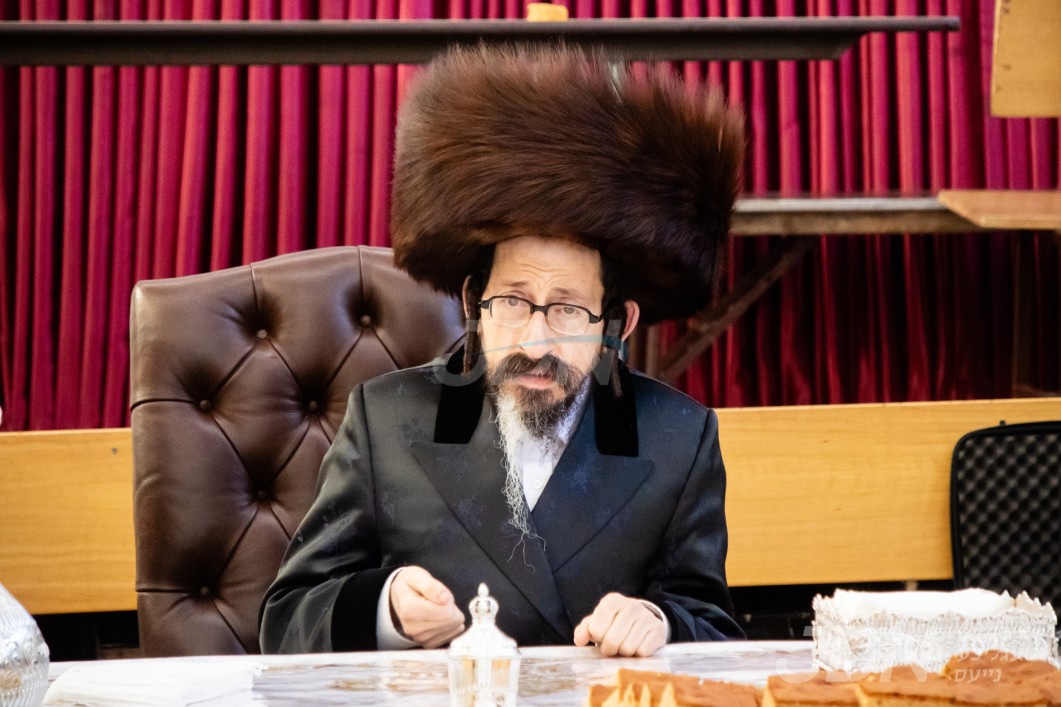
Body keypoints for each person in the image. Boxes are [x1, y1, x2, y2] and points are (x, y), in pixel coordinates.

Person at [259, 43, 746, 657]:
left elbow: (712, 626)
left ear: (616, 325)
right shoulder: (385, 421)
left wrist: (658, 621)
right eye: (514, 301)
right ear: (474, 302)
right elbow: (288, 618)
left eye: (566, 309)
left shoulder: (680, 438)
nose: (534, 342)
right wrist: (386, 610)